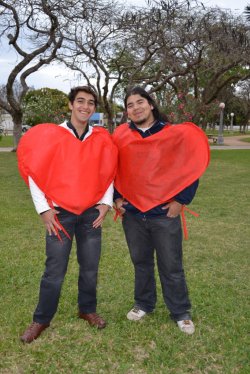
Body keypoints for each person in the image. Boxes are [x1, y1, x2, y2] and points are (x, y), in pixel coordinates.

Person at [17, 86, 117, 343]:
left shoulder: (102, 138)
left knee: (90, 267)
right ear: (71, 105)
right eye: (80, 101)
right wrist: (44, 209)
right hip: (60, 213)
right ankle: (41, 319)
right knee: (54, 269)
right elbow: (34, 172)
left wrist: (106, 203)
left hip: (90, 214)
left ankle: (87, 310)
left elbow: (108, 171)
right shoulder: (53, 135)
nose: (85, 106)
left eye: (91, 102)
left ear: (95, 108)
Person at [113, 86, 210, 335]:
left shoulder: (173, 134)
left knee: (171, 265)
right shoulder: (121, 135)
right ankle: (144, 303)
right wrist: (116, 197)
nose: (135, 107)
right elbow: (110, 167)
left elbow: (192, 165)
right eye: (130, 105)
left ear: (151, 104)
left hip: (163, 214)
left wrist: (181, 200)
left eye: (139, 102)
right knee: (141, 263)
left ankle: (180, 312)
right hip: (133, 214)